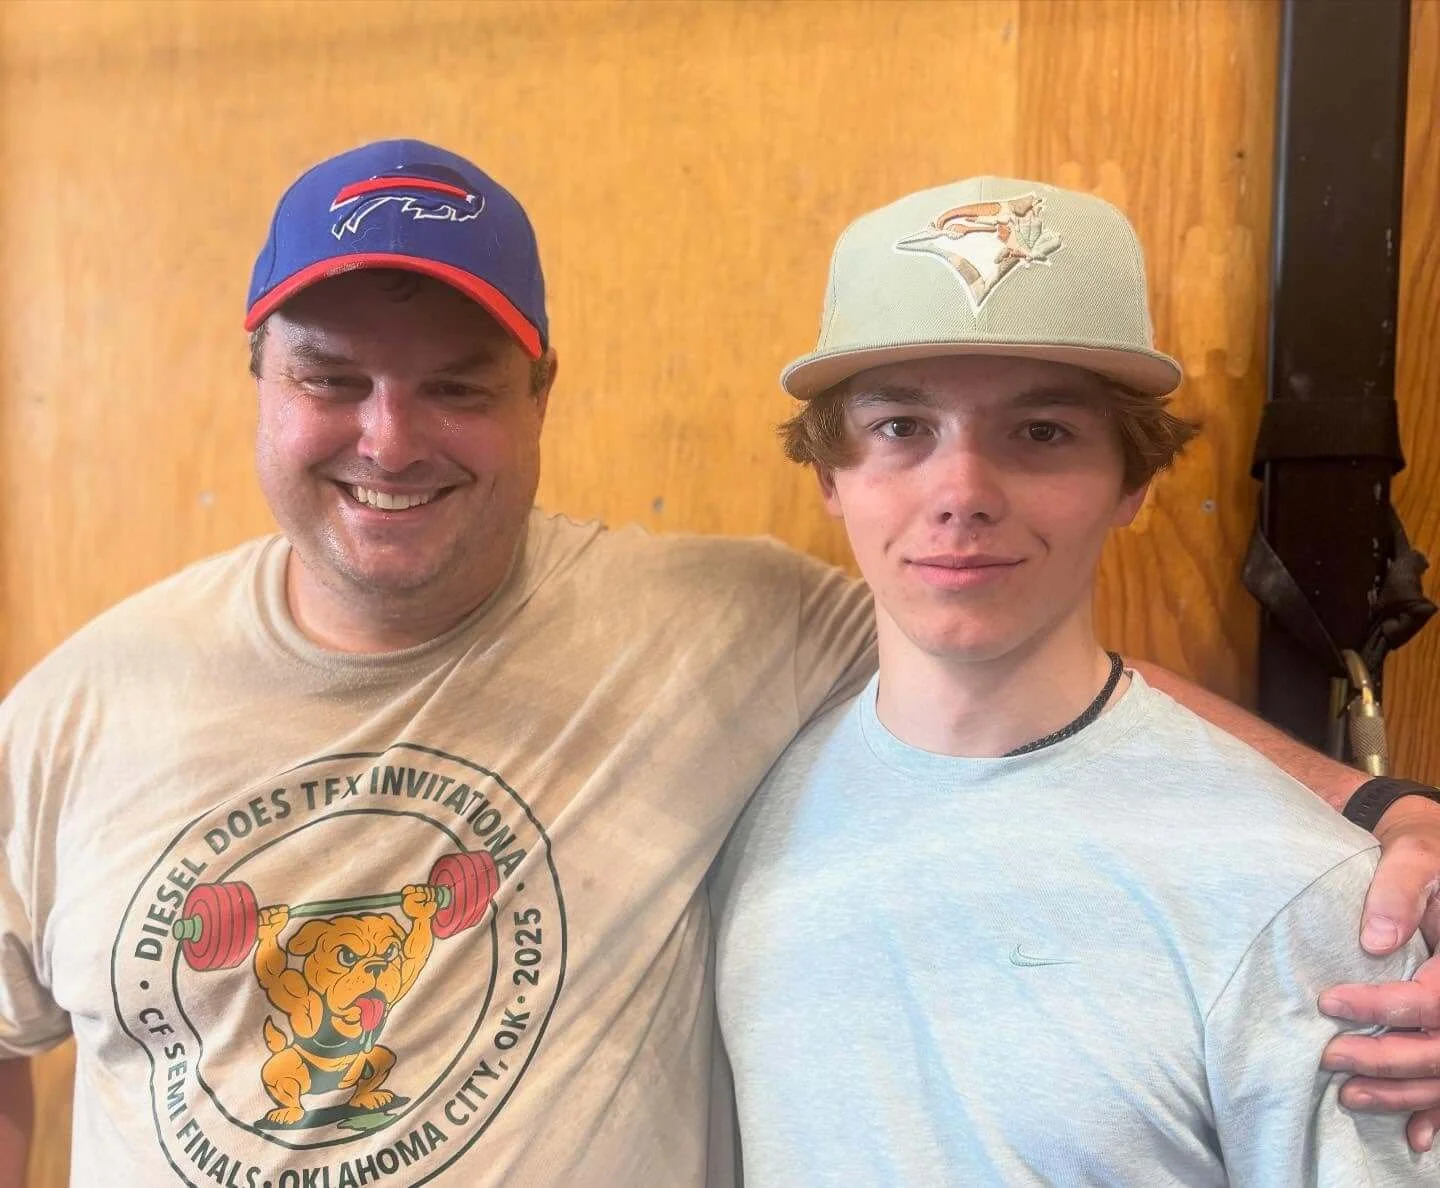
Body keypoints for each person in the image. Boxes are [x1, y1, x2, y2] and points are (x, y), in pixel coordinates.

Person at [0, 141, 1436, 1188]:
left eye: (456, 384)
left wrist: (1373, 816)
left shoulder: (717, 627)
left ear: (540, 393)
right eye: (328, 379)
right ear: (256, 375)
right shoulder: (71, 713)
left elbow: (1019, 662)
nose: (389, 439)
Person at [712, 177, 1438, 1184]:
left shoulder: (1306, 897)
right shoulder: (733, 805)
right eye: (900, 429)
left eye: (1041, 433)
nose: (962, 494)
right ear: (830, 478)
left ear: (1134, 481)